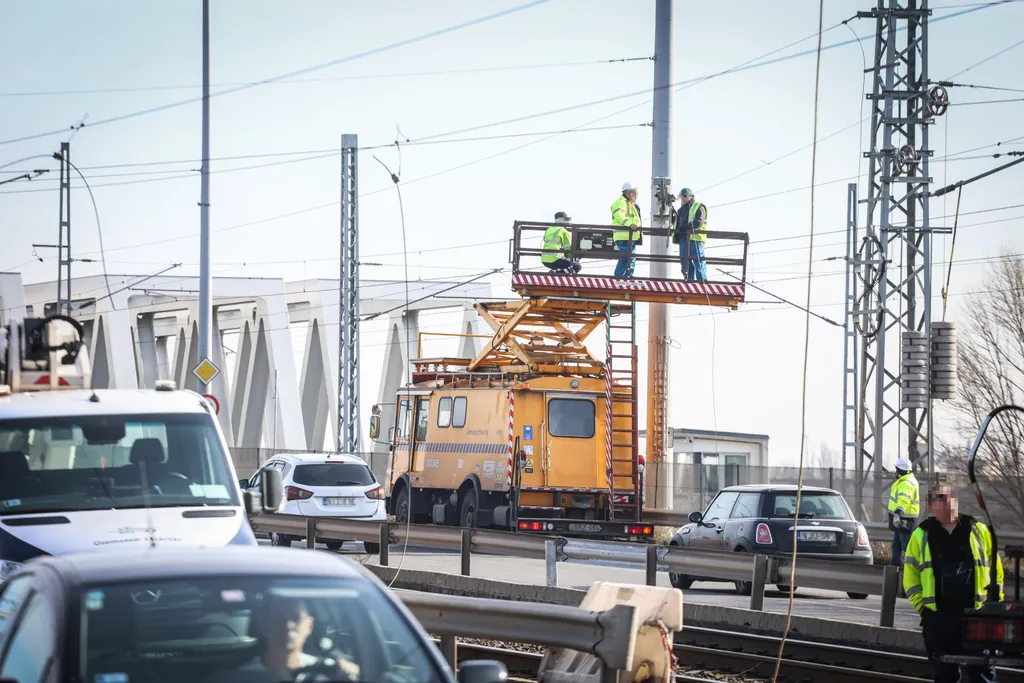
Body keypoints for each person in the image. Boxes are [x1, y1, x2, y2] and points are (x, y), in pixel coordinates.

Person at [903, 485, 1004, 683]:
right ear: (931, 506)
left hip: (977, 615)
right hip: (939, 618)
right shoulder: (921, 535)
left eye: (950, 495)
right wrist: (923, 609)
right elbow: (910, 577)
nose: (948, 499)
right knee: (945, 674)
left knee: (982, 673)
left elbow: (996, 571)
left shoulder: (978, 531)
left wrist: (995, 607)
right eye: (941, 497)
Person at [242, 593, 361, 681]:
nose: (288, 626)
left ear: (309, 626)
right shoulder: (242, 676)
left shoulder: (330, 670)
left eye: (296, 618)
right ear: (263, 624)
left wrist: (351, 674)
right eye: (278, 618)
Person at [888, 457, 920, 566]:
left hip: (903, 521)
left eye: (897, 469)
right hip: (901, 520)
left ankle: (912, 570)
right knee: (896, 547)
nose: (895, 472)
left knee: (907, 548)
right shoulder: (906, 481)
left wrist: (898, 513)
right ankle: (893, 570)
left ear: (900, 470)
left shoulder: (906, 483)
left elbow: (904, 499)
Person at [675, 188, 708, 282]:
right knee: (684, 261)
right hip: (684, 239)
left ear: (692, 196)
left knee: (698, 260)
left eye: (685, 196)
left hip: (696, 238)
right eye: (682, 196)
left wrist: (685, 227)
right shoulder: (681, 210)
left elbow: (698, 222)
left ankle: (702, 281)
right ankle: (689, 280)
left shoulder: (699, 206)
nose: (683, 198)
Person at [611, 182, 642, 278]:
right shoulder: (620, 203)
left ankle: (628, 276)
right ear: (626, 193)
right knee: (626, 257)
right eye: (633, 192)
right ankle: (619, 276)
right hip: (623, 236)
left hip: (630, 236)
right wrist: (630, 224)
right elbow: (619, 217)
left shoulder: (631, 205)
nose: (635, 195)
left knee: (631, 258)